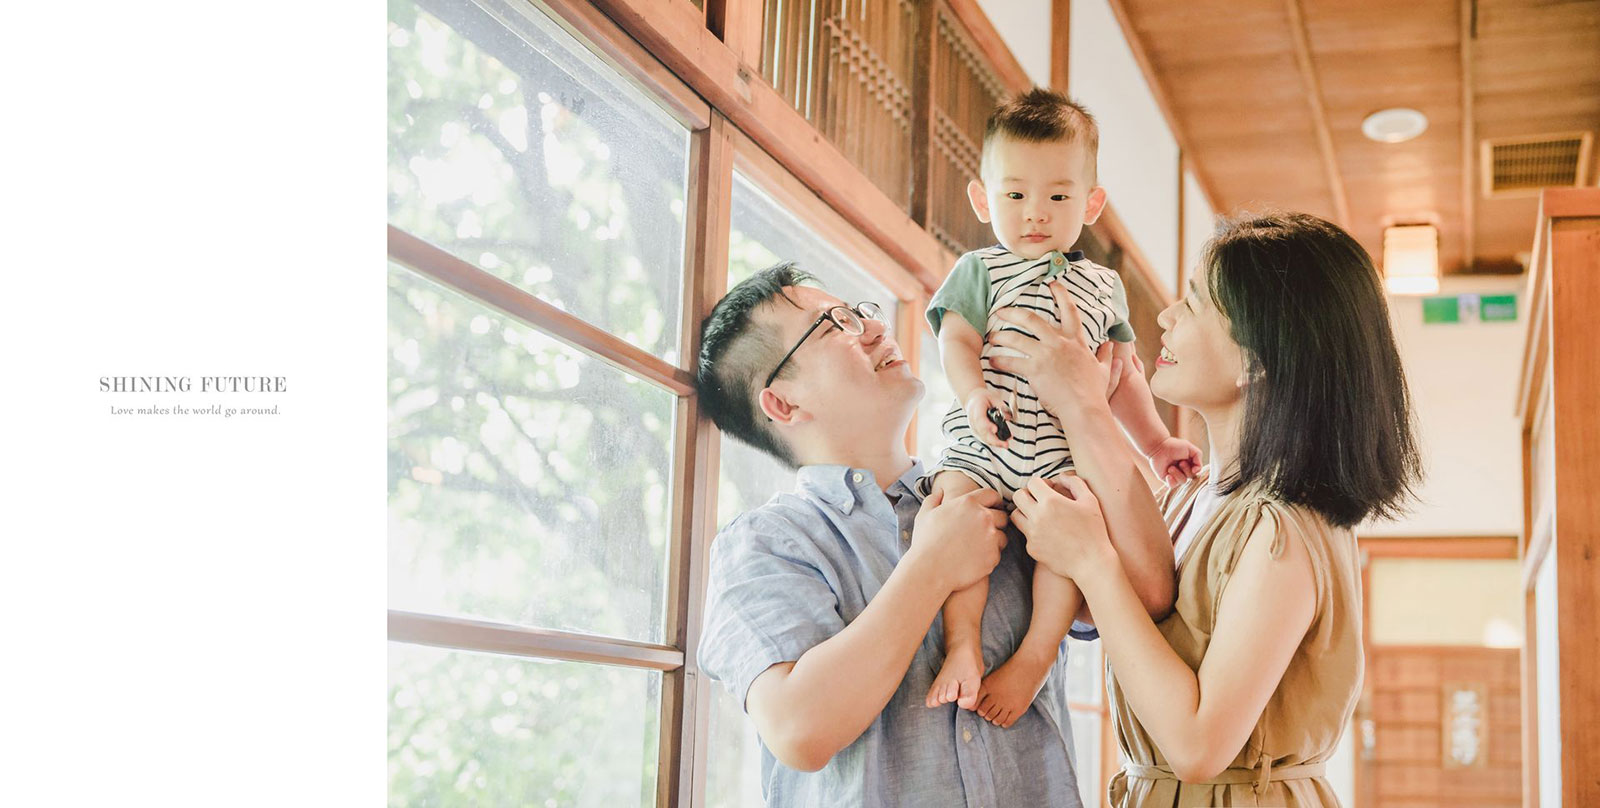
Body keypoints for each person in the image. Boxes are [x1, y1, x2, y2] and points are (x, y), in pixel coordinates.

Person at [693, 263, 1176, 807]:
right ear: (783, 403)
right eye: (834, 325)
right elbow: (799, 730)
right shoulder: (767, 543)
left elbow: (1151, 595)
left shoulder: (999, 488)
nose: (873, 328)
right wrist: (932, 566)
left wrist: (1086, 407)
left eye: (860, 312)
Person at [992, 212, 1421, 806]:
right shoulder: (1194, 493)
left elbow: (1197, 745)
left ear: (1258, 358)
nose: (1166, 316)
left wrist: (1093, 561)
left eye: (1192, 303)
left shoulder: (1285, 527)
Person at [921, 87, 1201, 724]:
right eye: (1015, 195)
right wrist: (972, 395)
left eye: (1058, 195)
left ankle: (1035, 658)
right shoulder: (979, 269)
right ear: (982, 198)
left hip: (1060, 453)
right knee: (960, 514)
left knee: (1076, 538)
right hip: (988, 435)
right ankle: (961, 644)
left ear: (1091, 203)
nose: (1035, 213)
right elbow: (955, 338)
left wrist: (1156, 442)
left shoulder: (1104, 285)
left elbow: (1124, 371)